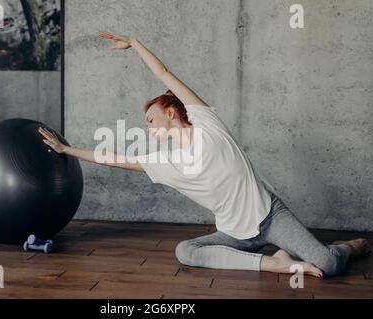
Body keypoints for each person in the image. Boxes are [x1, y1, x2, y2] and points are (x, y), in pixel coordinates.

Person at [38, 31, 370, 278]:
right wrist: (67, 150)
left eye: (151, 119)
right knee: (186, 251)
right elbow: (112, 157)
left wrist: (135, 43)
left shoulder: (207, 122)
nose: (148, 126)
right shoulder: (163, 163)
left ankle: (347, 247)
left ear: (170, 111)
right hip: (233, 232)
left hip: (270, 216)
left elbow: (165, 73)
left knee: (328, 265)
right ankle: (274, 264)